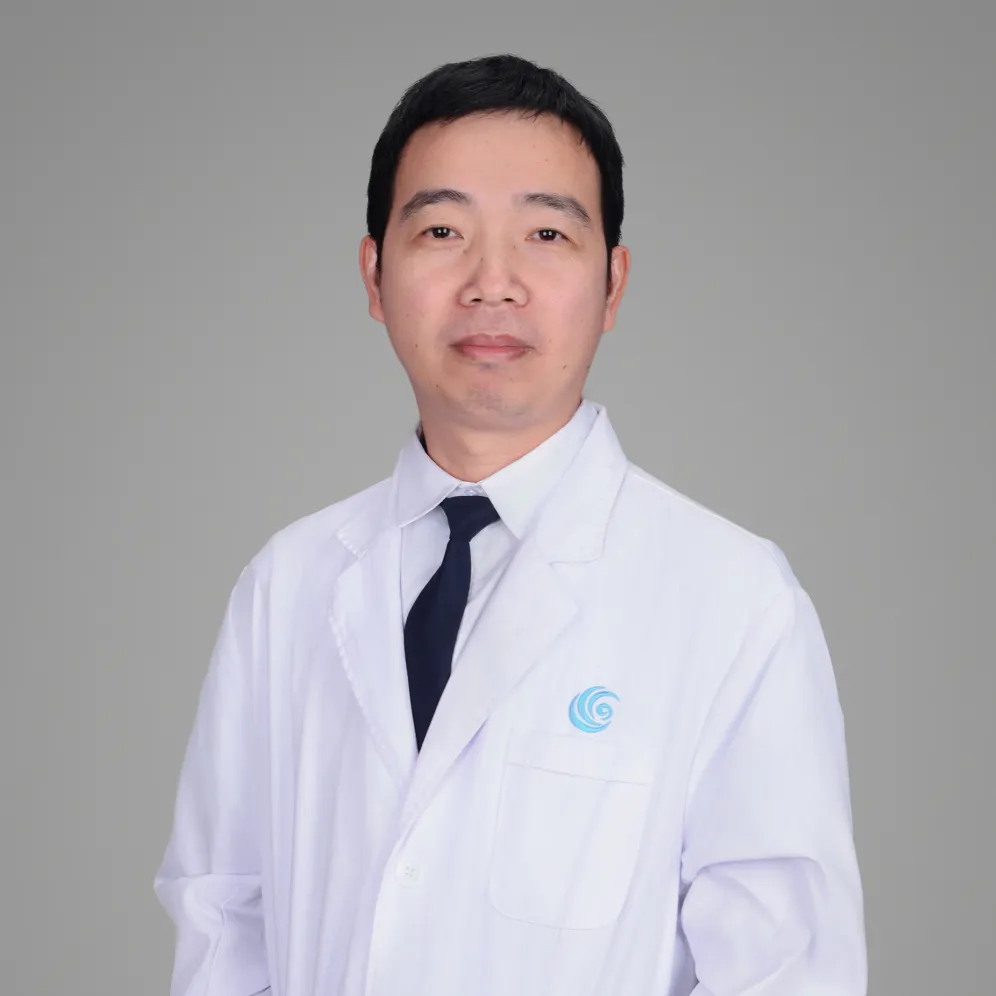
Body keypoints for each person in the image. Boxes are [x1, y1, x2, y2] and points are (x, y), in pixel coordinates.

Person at [153, 53, 867, 996]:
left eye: (545, 233)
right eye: (442, 230)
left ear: (612, 285)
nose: (493, 282)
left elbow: (786, 972)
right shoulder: (286, 585)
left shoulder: (733, 600)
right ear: (374, 275)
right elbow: (221, 922)